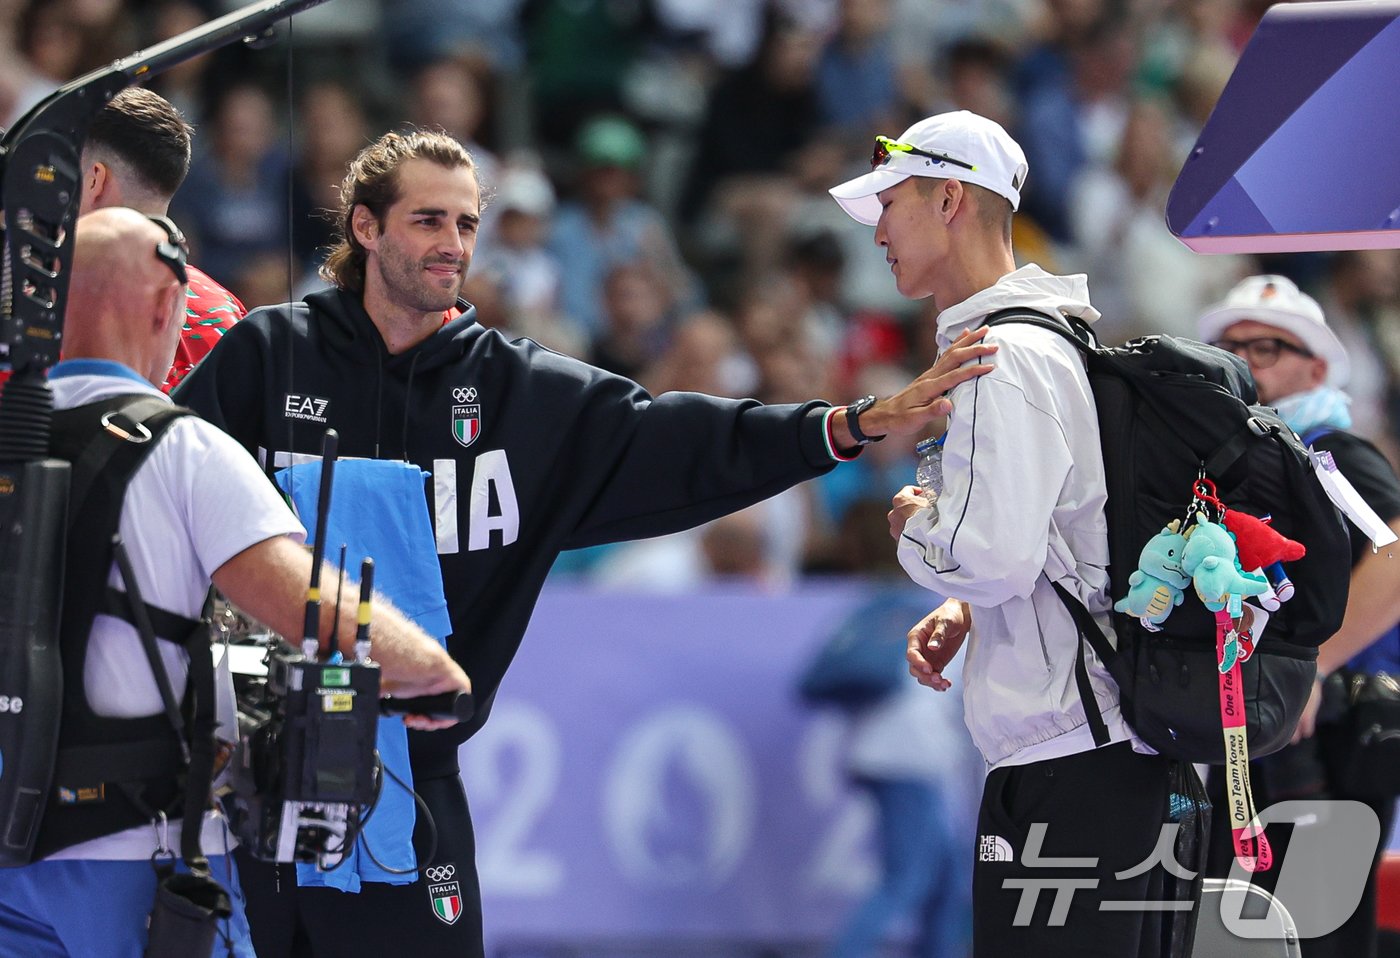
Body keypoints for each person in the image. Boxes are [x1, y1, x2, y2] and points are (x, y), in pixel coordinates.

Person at [171, 127, 997, 958]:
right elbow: (161, 493)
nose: (452, 245)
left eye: (465, 224)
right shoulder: (266, 357)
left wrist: (848, 424)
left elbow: (691, 439)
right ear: (365, 228)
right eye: (427, 221)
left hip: (410, 784)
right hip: (249, 773)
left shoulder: (522, 396)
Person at [0, 208, 470, 958]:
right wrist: (433, 674)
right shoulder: (182, 448)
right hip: (133, 853)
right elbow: (311, 606)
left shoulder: (10, 432)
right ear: (165, 308)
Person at [846, 110, 1174, 957]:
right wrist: (967, 607)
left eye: (890, 202)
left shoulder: (1006, 353)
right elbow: (1052, 542)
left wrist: (917, 525)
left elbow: (989, 555)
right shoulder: (1043, 340)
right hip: (1089, 753)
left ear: (949, 198)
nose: (878, 229)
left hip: (1074, 761)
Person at [1197, 274, 1400, 958]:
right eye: (1227, 348)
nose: (1242, 360)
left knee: (1317, 933)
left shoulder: (1327, 451)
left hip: (1327, 737)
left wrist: (1316, 665)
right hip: (1267, 733)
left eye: (1264, 347)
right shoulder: (1243, 459)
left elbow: (1399, 557)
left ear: (1316, 367)